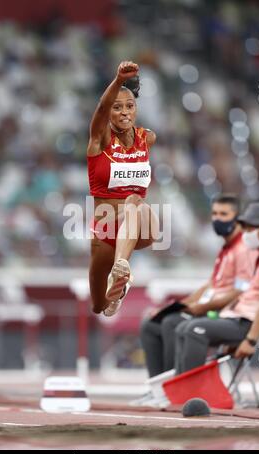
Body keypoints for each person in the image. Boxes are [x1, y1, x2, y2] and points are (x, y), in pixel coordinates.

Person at [133, 195, 257, 406]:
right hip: (211, 309)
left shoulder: (244, 250)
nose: (218, 219)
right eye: (215, 214)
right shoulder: (226, 249)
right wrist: (179, 306)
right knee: (151, 323)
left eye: (224, 214)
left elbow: (240, 292)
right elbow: (209, 286)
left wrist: (199, 308)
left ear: (238, 219)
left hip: (227, 314)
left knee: (174, 322)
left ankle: (175, 389)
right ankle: (159, 389)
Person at [87, 61, 159, 317]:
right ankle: (121, 285)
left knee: (134, 202)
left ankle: (122, 266)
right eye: (117, 108)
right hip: (106, 230)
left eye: (130, 106)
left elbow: (135, 201)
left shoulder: (147, 138)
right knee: (99, 306)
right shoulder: (100, 140)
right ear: (109, 113)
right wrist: (117, 81)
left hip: (141, 222)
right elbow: (100, 108)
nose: (125, 112)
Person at [174, 201, 259, 373]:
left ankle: (192, 392)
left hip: (246, 323)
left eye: (250, 229)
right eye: (244, 228)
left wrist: (251, 340)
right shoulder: (258, 259)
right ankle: (178, 389)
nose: (245, 234)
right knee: (182, 327)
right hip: (233, 319)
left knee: (194, 330)